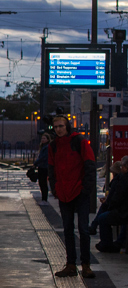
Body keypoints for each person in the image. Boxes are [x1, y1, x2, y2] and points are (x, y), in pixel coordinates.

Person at [48, 115, 97, 278]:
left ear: (67, 126)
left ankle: (85, 264)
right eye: (55, 127)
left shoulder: (79, 141)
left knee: (83, 229)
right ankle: (71, 264)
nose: (58, 129)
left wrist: (86, 188)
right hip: (64, 191)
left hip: (78, 190)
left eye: (61, 126)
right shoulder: (53, 146)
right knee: (68, 229)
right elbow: (51, 168)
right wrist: (55, 188)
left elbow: (90, 164)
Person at [94, 159, 128, 253]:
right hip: (123, 209)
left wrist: (110, 205)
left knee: (103, 218)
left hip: (123, 211)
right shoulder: (122, 178)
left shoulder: (123, 179)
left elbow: (118, 197)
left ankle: (106, 244)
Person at [34, 132, 54, 201]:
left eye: (44, 138)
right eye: (42, 138)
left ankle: (44, 199)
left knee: (43, 183)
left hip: (44, 167)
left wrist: (35, 163)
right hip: (42, 166)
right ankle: (44, 198)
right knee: (41, 183)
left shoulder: (46, 147)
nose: (42, 140)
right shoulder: (43, 147)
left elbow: (43, 157)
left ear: (48, 139)